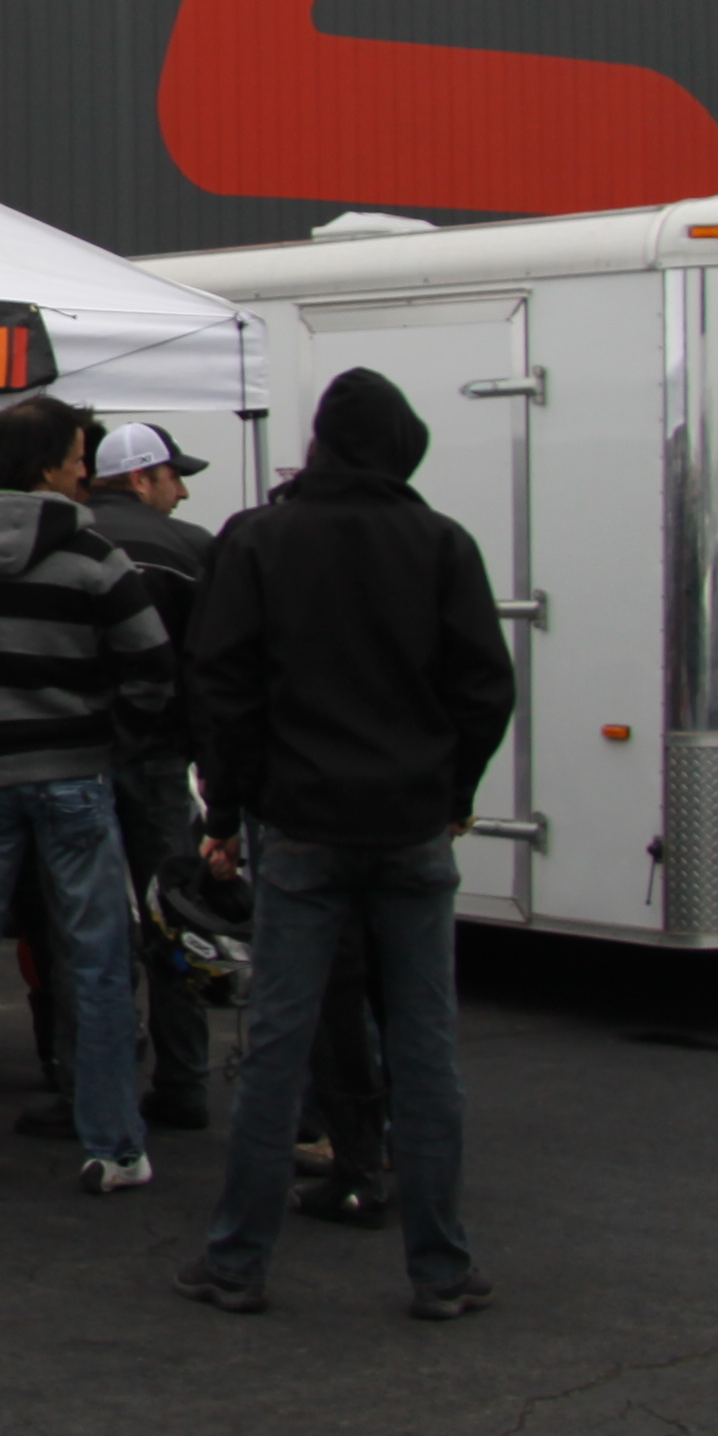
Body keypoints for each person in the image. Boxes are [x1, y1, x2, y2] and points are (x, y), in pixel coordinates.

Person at [175, 367, 520, 1320]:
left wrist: (227, 810)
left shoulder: (259, 540)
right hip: (410, 824)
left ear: (320, 445)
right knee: (427, 1047)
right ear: (403, 447)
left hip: (300, 822)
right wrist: (454, 791)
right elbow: (485, 687)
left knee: (278, 1044)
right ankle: (440, 1267)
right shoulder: (442, 543)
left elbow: (222, 684)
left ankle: (238, 1261)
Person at [0, 392, 176, 1197]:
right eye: (80, 459)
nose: (86, 473)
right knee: (96, 959)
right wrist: (111, 742)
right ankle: (113, 1146)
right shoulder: (92, 555)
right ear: (51, 467)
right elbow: (153, 665)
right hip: (74, 775)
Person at [77, 420, 224, 1138]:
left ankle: (90, 1083)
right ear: (141, 478)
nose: (182, 492)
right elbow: (214, 667)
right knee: (175, 916)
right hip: (162, 760)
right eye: (174, 477)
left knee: (88, 925)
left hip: (76, 757)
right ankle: (184, 1081)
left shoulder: (66, 542)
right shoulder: (192, 549)